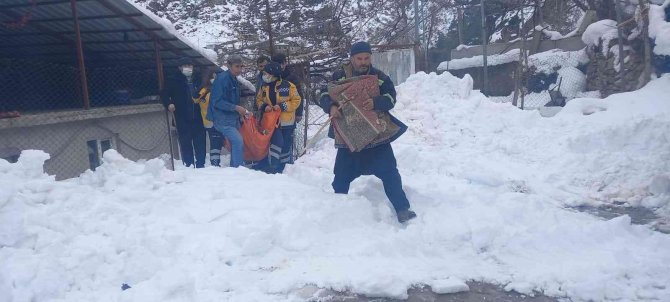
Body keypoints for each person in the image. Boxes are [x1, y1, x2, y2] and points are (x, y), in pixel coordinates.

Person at [318, 41, 416, 223]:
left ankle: (402, 208)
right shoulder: (338, 76)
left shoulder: (379, 77)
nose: (363, 62)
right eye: (359, 58)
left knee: (390, 173)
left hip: (375, 136)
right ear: (352, 58)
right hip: (349, 137)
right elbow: (323, 94)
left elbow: (391, 98)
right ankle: (337, 212)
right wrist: (330, 106)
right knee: (341, 176)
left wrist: (376, 102)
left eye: (366, 58)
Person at [256, 62, 301, 173]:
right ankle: (274, 166)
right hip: (271, 123)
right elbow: (258, 100)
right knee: (276, 142)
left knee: (285, 147)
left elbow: (296, 100)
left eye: (266, 73)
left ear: (272, 74)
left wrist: (282, 106)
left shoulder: (288, 86)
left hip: (286, 123)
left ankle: (285, 168)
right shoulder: (263, 87)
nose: (264, 75)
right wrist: (264, 106)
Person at [207, 55, 251, 168]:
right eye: (237, 66)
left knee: (236, 142)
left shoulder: (233, 79)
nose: (240, 69)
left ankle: (235, 167)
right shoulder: (222, 79)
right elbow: (216, 101)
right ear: (228, 66)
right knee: (237, 141)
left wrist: (238, 113)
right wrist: (236, 108)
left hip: (231, 118)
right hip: (222, 119)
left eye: (241, 67)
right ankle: (237, 168)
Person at [162, 57, 206, 168]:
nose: (188, 68)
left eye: (190, 66)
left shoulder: (198, 79)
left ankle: (201, 164)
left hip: (198, 115)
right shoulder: (173, 80)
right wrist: (169, 104)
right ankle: (189, 164)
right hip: (182, 116)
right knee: (185, 142)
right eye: (185, 66)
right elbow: (164, 94)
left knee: (200, 141)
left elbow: (206, 91)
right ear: (180, 68)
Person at [194, 71, 225, 167]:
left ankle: (216, 162)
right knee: (215, 142)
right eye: (213, 77)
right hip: (210, 120)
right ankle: (215, 163)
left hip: (218, 120)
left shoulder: (218, 89)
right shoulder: (205, 91)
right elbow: (196, 99)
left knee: (218, 141)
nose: (215, 80)